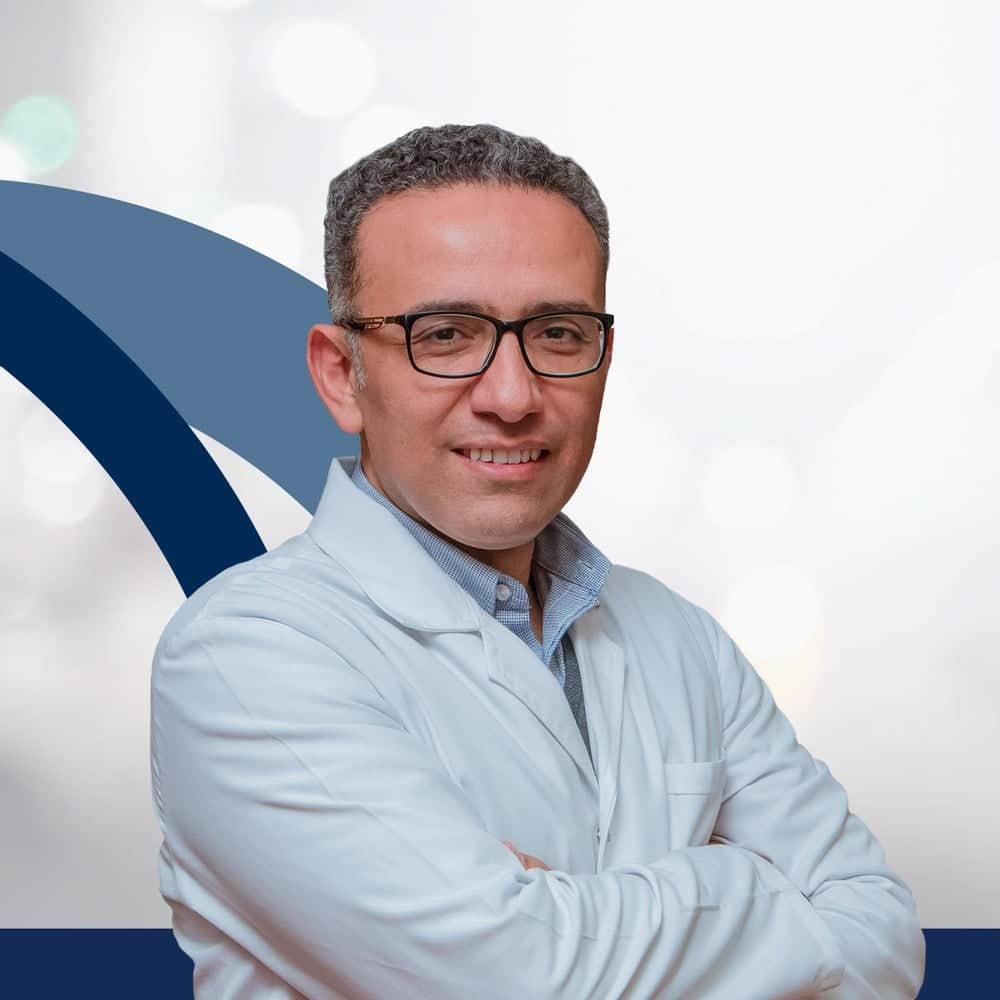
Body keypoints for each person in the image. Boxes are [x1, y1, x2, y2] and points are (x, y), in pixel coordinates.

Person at [151, 123, 925, 999]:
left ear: (603, 358)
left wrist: (561, 916)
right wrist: (753, 885)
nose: (513, 396)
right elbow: (519, 979)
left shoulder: (680, 639)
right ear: (340, 374)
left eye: (557, 333)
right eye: (445, 334)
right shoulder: (246, 655)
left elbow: (883, 938)